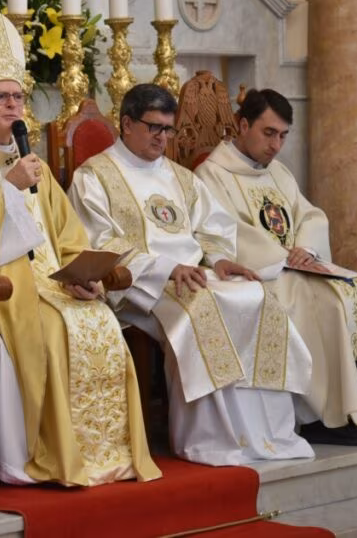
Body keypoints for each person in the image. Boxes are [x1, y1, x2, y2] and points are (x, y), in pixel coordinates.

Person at [0, 8, 161, 487]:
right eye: (1, 97)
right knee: (51, 325)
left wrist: (85, 275)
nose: (13, 106)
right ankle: (37, 455)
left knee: (98, 319)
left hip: (50, 285)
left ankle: (102, 455)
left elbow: (68, 240)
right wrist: (5, 189)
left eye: (18, 97)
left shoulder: (33, 166)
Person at [68, 83, 315, 466]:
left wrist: (217, 260)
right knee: (204, 310)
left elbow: (213, 228)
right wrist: (167, 268)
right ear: (127, 124)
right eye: (154, 128)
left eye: (169, 129)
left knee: (256, 296)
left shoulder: (180, 177)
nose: (163, 138)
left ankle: (265, 434)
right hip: (139, 286)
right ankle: (212, 438)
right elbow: (99, 241)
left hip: (195, 275)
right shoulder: (95, 176)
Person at [195, 88, 357, 443]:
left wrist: (305, 247)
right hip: (261, 274)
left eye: (283, 136)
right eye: (268, 133)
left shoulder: (278, 173)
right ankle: (323, 417)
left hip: (294, 265)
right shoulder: (211, 174)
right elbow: (222, 231)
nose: (276, 145)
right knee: (325, 305)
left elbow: (309, 214)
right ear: (243, 125)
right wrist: (281, 257)